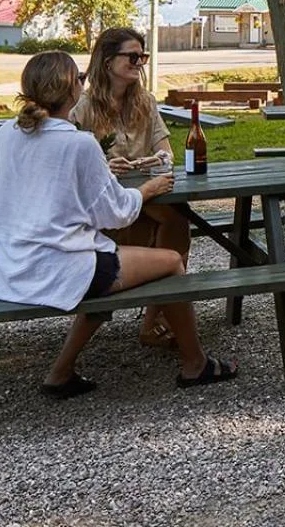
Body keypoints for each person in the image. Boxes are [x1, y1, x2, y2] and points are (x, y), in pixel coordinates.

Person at [0, 51, 238, 397]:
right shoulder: (79, 143)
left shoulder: (6, 135)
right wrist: (148, 189)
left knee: (111, 263)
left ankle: (61, 373)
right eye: (79, 77)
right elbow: (116, 213)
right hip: (60, 267)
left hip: (11, 265)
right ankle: (195, 363)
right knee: (170, 261)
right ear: (71, 91)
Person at [73, 26, 190, 349]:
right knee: (169, 222)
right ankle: (159, 319)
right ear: (108, 61)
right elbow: (72, 163)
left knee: (176, 220)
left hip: (148, 192)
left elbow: (167, 151)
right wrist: (103, 167)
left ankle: (155, 321)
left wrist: (155, 158)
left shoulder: (146, 102)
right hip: (106, 202)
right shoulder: (82, 109)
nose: (140, 62)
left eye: (143, 56)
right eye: (133, 56)